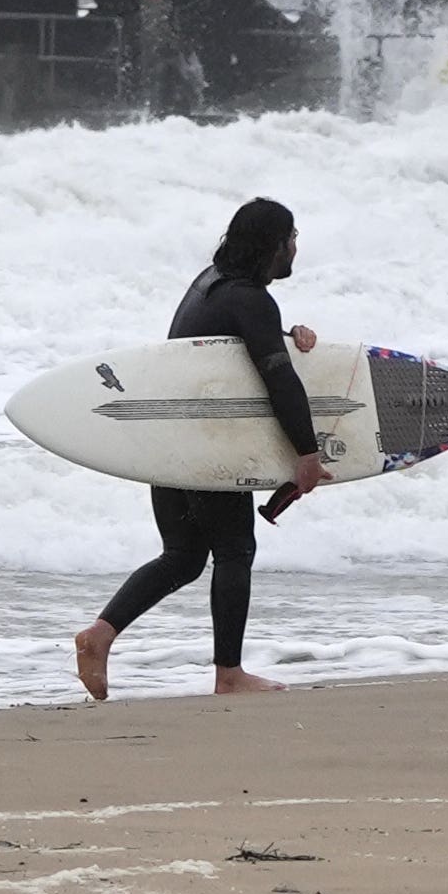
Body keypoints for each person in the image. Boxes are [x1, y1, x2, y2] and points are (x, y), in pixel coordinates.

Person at [73, 196, 333, 702]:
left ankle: (98, 636)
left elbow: (234, 344)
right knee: (236, 550)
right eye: (292, 238)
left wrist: (289, 334)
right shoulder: (250, 300)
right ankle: (229, 675)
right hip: (205, 447)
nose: (296, 247)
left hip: (167, 442)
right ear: (273, 246)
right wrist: (307, 453)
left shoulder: (210, 284)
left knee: (185, 556)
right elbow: (278, 380)